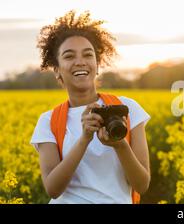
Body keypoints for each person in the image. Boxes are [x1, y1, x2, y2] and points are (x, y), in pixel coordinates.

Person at [30, 10, 151, 204]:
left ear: (97, 64)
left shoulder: (127, 108)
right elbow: (52, 189)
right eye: (69, 56)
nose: (80, 62)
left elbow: (142, 185)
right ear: (57, 70)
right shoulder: (49, 121)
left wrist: (120, 145)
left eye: (88, 54)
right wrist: (84, 138)